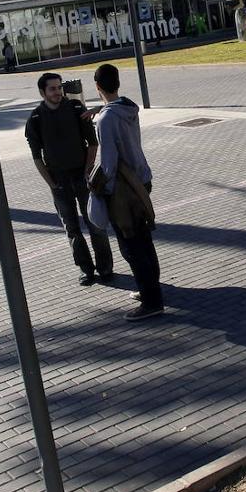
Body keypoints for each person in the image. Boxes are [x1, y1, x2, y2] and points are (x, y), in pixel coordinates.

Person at [90, 63, 163, 322]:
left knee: (131, 246)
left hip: (123, 189)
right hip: (141, 179)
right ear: (117, 83)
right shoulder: (127, 108)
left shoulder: (106, 119)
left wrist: (102, 189)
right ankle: (150, 290)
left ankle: (152, 300)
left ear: (97, 87)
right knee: (144, 240)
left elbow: (108, 162)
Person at [26, 72, 114, 286]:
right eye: (52, 89)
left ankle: (105, 268)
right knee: (72, 229)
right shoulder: (36, 119)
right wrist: (51, 183)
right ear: (42, 92)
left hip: (82, 177)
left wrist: (88, 171)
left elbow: (92, 143)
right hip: (59, 181)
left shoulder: (76, 109)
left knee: (95, 223)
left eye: (59, 88)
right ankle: (86, 270)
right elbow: (37, 156)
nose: (57, 92)